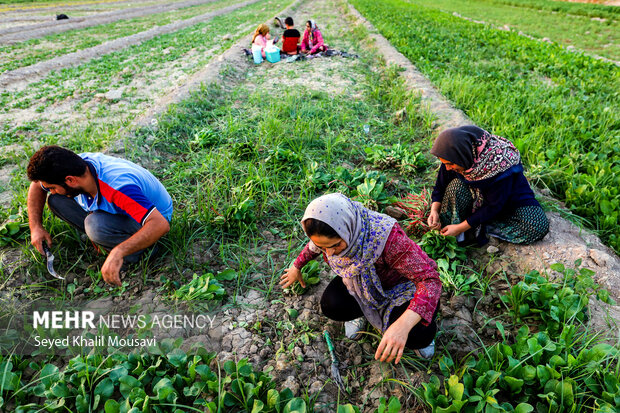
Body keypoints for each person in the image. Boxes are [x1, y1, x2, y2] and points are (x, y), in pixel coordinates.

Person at [280, 193, 441, 362]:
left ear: (347, 227)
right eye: (323, 247)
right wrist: (296, 266)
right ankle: (363, 311)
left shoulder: (387, 237)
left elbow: (430, 280)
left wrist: (403, 325)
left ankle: (419, 339)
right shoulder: (333, 230)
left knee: (417, 334)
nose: (329, 253)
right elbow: (314, 246)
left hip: (399, 289)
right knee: (331, 304)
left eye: (335, 245)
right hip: (361, 284)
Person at [27, 146, 172, 287]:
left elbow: (160, 224)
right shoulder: (74, 167)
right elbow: (37, 185)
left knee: (95, 225)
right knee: (57, 200)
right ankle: (106, 239)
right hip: (123, 210)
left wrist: (118, 252)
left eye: (52, 187)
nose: (50, 190)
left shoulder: (118, 187)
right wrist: (36, 227)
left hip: (153, 219)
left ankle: (141, 253)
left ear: (70, 180)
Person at [428, 125, 549, 245]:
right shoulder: (453, 158)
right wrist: (434, 211)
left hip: (506, 202)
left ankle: (474, 228)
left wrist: (461, 227)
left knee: (537, 225)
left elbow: (494, 205)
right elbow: (440, 187)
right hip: (477, 198)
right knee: (455, 186)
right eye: (445, 163)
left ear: (463, 155)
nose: (447, 168)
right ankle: (459, 230)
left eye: (450, 164)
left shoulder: (499, 164)